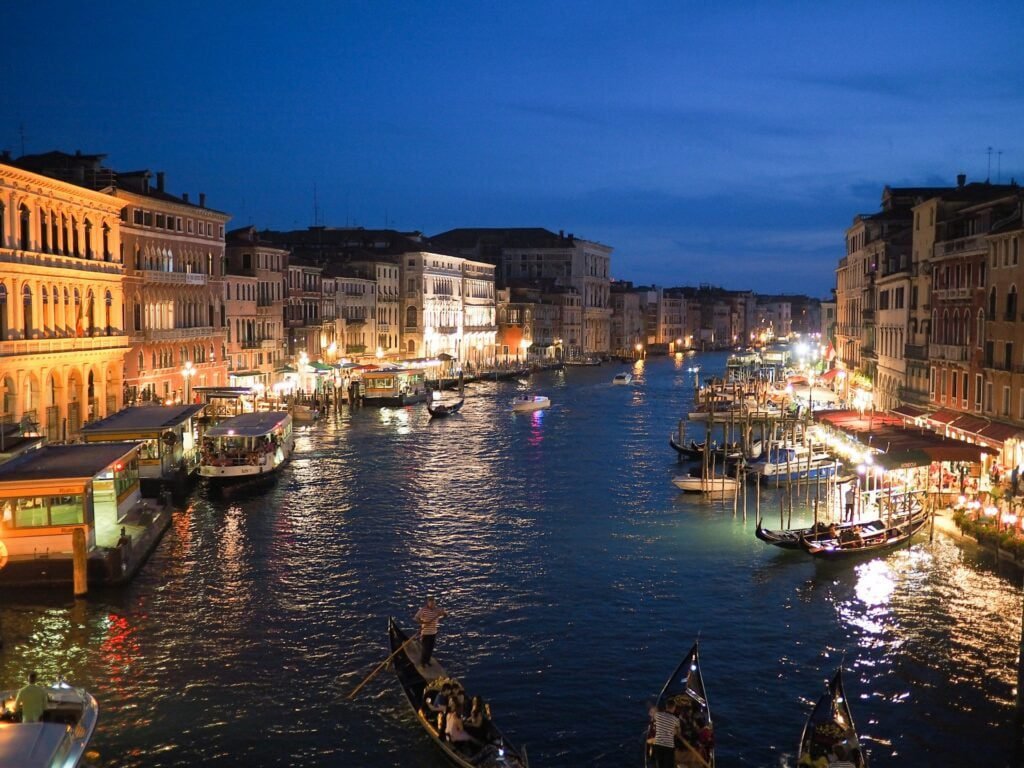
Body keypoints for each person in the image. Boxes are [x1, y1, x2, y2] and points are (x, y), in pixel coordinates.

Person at [414, 596, 448, 667]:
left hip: (433, 633)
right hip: (425, 633)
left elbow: (445, 615)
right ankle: (423, 662)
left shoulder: (437, 610)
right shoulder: (423, 610)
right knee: (425, 648)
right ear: (428, 603)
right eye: (431, 603)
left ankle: (427, 661)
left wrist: (444, 613)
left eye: (433, 603)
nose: (432, 605)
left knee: (430, 648)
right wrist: (423, 623)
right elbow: (416, 618)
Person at [648, 700, 681, 768]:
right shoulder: (676, 720)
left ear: (666, 706)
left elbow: (651, 716)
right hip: (669, 746)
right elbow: (678, 732)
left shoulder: (658, 715)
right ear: (674, 708)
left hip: (658, 745)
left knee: (659, 765)